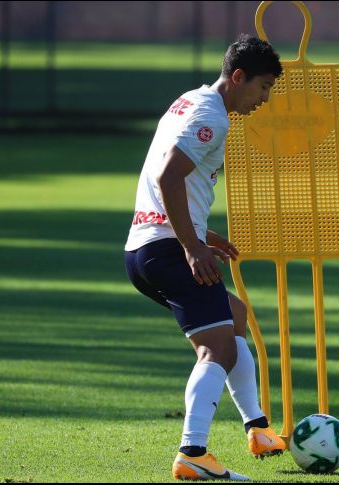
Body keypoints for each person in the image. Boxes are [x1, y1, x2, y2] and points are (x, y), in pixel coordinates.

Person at [124, 35, 284, 481]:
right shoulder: (212, 115)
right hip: (167, 249)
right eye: (263, 87)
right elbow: (168, 175)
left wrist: (199, 230)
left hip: (144, 245)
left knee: (235, 315)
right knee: (219, 348)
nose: (264, 99)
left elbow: (168, 180)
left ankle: (258, 429)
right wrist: (193, 247)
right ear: (238, 77)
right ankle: (192, 452)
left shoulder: (189, 100)